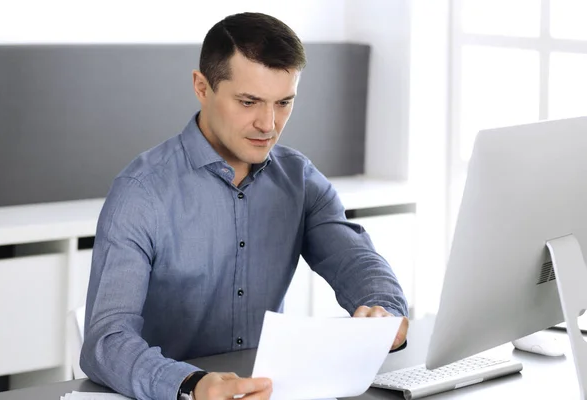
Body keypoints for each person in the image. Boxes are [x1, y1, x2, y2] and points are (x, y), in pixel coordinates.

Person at [80, 11, 409, 400]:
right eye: (249, 101)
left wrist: (385, 311)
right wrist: (191, 384)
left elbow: (357, 261)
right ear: (202, 87)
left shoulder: (299, 180)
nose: (268, 124)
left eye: (284, 102)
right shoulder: (142, 192)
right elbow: (106, 341)